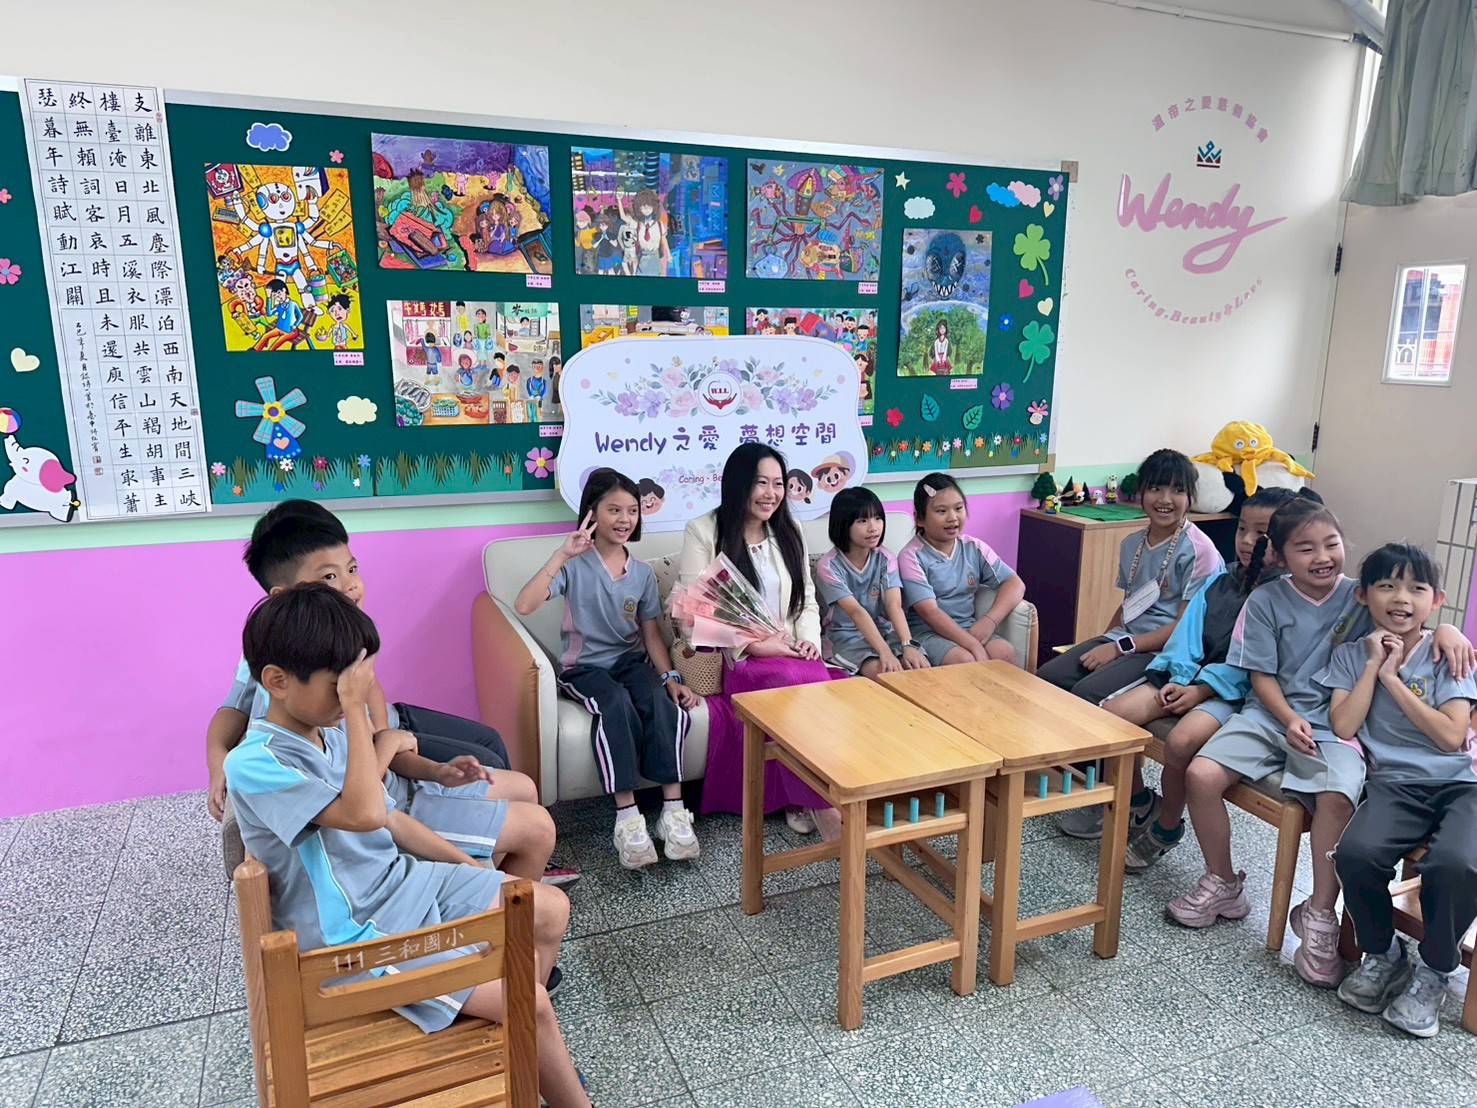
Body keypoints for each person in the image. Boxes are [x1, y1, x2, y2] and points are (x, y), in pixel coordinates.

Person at [225, 586, 590, 1108]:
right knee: (528, 999)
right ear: (277, 682)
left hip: (401, 884)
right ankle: (524, 1033)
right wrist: (357, 711)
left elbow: (392, 820)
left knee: (547, 907)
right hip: (352, 937)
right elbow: (365, 813)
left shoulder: (329, 733)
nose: (350, 697)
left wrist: (477, 873)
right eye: (340, 686)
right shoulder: (256, 762)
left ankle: (511, 1043)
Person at [1172, 496, 1473, 988]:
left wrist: (1451, 631)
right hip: (1270, 714)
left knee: (1337, 796)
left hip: (1337, 725)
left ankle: (1319, 914)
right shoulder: (1265, 601)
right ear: (1279, 555)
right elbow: (1261, 676)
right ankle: (1223, 881)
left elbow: (1411, 614)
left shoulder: (1362, 594)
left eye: (1330, 544)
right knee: (1202, 775)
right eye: (1305, 548)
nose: (1321, 557)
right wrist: (1289, 718)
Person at [206, 500, 578, 888]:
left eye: (352, 569)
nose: (350, 584)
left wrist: (391, 738)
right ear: (285, 596)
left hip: (387, 744)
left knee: (490, 746)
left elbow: (370, 699)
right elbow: (361, 792)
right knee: (494, 770)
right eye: (330, 576)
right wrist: (219, 762)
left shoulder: (342, 634)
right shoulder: (295, 694)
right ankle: (505, 864)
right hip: (387, 786)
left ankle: (510, 863)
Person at [1325, 544, 1477, 1037]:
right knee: (1355, 854)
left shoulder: (1449, 653)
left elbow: (1451, 737)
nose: (1401, 598)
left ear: (1437, 600)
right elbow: (1344, 724)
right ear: (1363, 595)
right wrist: (1375, 666)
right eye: (1387, 586)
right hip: (1395, 785)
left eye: (1417, 588)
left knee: (1455, 864)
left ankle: (1435, 968)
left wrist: (1392, 680)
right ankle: (1384, 953)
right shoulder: (1351, 656)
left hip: (1464, 785)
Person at [515, 469, 701, 870]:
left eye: (632, 510)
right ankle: (628, 819)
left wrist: (670, 678)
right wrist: (562, 554)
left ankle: (673, 812)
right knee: (614, 703)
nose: (624, 519)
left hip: (630, 663)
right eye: (614, 509)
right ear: (592, 513)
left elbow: (651, 635)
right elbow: (524, 605)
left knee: (660, 702)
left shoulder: (642, 573)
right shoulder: (574, 565)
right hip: (584, 669)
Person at [1104, 487, 1297, 871]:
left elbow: (1255, 667)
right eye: (1242, 529)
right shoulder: (1222, 579)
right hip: (1188, 676)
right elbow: (1187, 634)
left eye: (1261, 533)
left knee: (1181, 741)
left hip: (1232, 694)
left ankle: (1167, 827)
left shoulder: (1284, 596)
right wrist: (1180, 677)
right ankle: (1140, 802)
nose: (1247, 541)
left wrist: (1202, 690)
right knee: (1110, 717)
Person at [1038, 449, 1220, 839]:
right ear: (1140, 494)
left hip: (1167, 651)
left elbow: (1185, 628)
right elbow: (1128, 606)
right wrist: (1098, 642)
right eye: (1156, 488)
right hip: (1127, 639)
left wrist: (1119, 649)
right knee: (1048, 679)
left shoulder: (1199, 550)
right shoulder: (1132, 543)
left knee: (1089, 696)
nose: (1165, 499)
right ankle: (1105, 787)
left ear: (1191, 496)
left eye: (1177, 490)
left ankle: (1125, 800)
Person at [677, 443, 840, 837]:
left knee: (820, 680)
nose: (771, 493)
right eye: (760, 483)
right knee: (794, 682)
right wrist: (751, 645)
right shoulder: (703, 531)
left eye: (778, 483)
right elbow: (689, 614)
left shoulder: (790, 530)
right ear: (738, 485)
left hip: (792, 651)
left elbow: (806, 600)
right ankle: (820, 806)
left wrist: (809, 641)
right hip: (742, 658)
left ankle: (820, 794)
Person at [898, 473, 1025, 667]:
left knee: (1004, 653)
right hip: (928, 634)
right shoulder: (911, 556)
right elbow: (929, 612)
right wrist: (974, 646)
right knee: (964, 661)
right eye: (941, 511)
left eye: (958, 508)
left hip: (968, 628)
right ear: (920, 519)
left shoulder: (974, 547)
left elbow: (1015, 583)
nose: (953, 518)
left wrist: (989, 621)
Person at [816, 487, 929, 679]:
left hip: (885, 633)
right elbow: (855, 611)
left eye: (877, 518)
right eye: (862, 521)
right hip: (847, 639)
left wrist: (907, 644)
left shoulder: (886, 559)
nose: (873, 527)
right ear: (843, 524)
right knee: (887, 673)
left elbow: (894, 605)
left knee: (920, 668)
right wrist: (884, 652)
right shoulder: (828, 566)